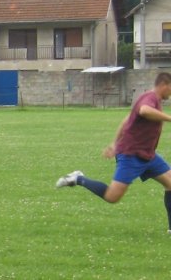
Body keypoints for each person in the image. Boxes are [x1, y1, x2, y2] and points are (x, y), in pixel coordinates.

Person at [56, 72, 171, 232]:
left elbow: (127, 120)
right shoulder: (149, 98)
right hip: (132, 155)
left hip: (148, 155)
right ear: (165, 85)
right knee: (112, 197)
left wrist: (114, 143)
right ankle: (78, 178)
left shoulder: (155, 100)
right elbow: (144, 111)